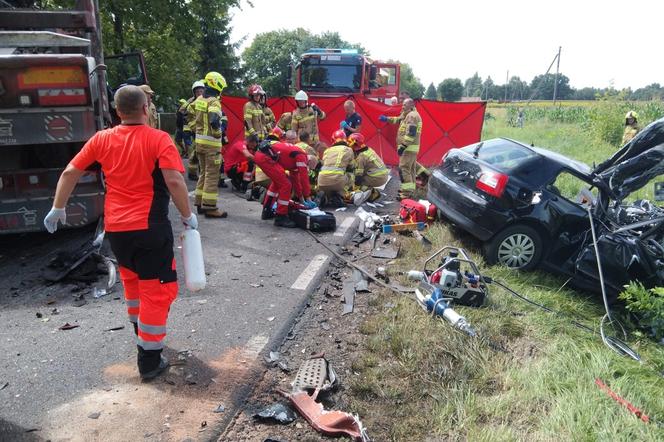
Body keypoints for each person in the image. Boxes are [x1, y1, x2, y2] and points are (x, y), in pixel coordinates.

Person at [43, 85, 196, 381]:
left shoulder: (102, 139)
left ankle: (143, 336)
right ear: (144, 109)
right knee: (157, 290)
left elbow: (69, 172)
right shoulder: (159, 139)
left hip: (117, 230)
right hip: (149, 228)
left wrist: (58, 207)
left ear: (117, 112)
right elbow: (175, 181)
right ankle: (149, 360)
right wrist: (188, 217)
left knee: (133, 284)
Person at [254, 138, 315, 228]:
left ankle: (267, 210)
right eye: (309, 166)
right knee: (286, 185)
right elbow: (304, 178)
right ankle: (281, 216)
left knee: (277, 183)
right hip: (265, 157)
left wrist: (301, 198)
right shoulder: (302, 157)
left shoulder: (296, 159)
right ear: (309, 161)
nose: (307, 168)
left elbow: (296, 180)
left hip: (262, 155)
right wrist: (308, 197)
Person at [192, 71, 228, 218]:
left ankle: (200, 203)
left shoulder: (200, 99)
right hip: (211, 145)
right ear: (217, 84)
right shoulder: (214, 101)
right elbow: (214, 120)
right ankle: (210, 207)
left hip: (199, 144)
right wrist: (219, 133)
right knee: (212, 176)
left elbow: (190, 113)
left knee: (203, 174)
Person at [379, 98, 422, 199]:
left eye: (405, 105)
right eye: (403, 105)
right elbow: (398, 119)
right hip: (411, 148)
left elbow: (411, 134)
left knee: (404, 169)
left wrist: (403, 146)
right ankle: (410, 190)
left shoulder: (412, 116)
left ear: (411, 105)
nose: (402, 107)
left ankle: (406, 194)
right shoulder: (408, 114)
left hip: (408, 148)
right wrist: (387, 119)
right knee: (410, 170)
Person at [317, 130, 354, 208]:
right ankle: (339, 195)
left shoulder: (327, 150)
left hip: (321, 182)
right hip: (338, 182)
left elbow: (323, 164)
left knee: (327, 175)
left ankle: (325, 196)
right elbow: (351, 167)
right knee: (352, 174)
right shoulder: (348, 150)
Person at [348, 133, 388, 201]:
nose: (349, 144)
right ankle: (369, 190)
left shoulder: (361, 157)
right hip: (382, 175)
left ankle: (373, 193)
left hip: (377, 178)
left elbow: (358, 177)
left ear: (355, 144)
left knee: (359, 185)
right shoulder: (368, 149)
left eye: (350, 142)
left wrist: (354, 189)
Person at [182, 80, 206, 180]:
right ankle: (193, 173)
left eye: (201, 91)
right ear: (194, 93)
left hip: (204, 130)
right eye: (197, 92)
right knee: (197, 151)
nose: (200, 93)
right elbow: (182, 111)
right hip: (195, 130)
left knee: (201, 151)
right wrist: (193, 126)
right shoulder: (191, 101)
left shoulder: (206, 100)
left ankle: (200, 172)